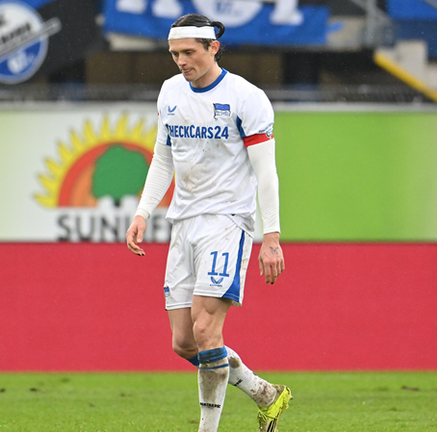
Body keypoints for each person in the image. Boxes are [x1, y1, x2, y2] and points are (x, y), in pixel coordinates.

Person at [125, 14, 291, 432]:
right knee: (185, 342)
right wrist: (143, 211)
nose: (181, 61)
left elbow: (266, 173)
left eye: (189, 53)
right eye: (175, 54)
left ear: (213, 48)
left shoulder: (246, 98)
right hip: (183, 222)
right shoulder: (169, 93)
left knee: (205, 327)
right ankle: (265, 394)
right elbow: (164, 157)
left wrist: (271, 236)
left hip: (227, 220)